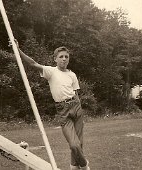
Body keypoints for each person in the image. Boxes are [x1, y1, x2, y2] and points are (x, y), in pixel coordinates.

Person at [16, 41, 90, 170]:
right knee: (74, 144)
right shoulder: (51, 71)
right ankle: (84, 166)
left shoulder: (72, 75)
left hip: (76, 107)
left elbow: (76, 93)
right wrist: (18, 49)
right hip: (63, 110)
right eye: (61, 56)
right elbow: (32, 63)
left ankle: (73, 166)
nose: (64, 59)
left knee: (80, 143)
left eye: (66, 57)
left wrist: (79, 108)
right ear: (55, 59)